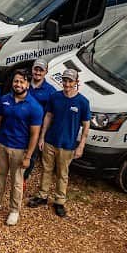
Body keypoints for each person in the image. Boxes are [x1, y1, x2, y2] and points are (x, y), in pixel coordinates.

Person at [0, 69, 43, 226]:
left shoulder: (34, 107)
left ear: (27, 84)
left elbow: (35, 134)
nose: (18, 84)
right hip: (2, 144)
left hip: (20, 149)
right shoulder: (4, 100)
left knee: (16, 181)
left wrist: (28, 156)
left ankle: (14, 210)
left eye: (22, 81)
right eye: (16, 81)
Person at [27, 68, 90, 218]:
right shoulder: (55, 97)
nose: (67, 84)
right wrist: (42, 137)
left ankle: (59, 201)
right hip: (50, 141)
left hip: (67, 145)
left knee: (62, 173)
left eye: (70, 81)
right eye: (65, 80)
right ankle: (42, 196)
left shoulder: (82, 102)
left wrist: (81, 145)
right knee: (46, 169)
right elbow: (48, 116)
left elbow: (86, 125)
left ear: (76, 82)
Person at [24, 58, 58, 183]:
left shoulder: (50, 91)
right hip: (20, 124)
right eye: (36, 69)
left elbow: (51, 114)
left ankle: (24, 177)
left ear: (46, 72)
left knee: (32, 153)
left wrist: (44, 134)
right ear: (32, 69)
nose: (38, 72)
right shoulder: (23, 83)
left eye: (41, 70)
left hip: (37, 128)